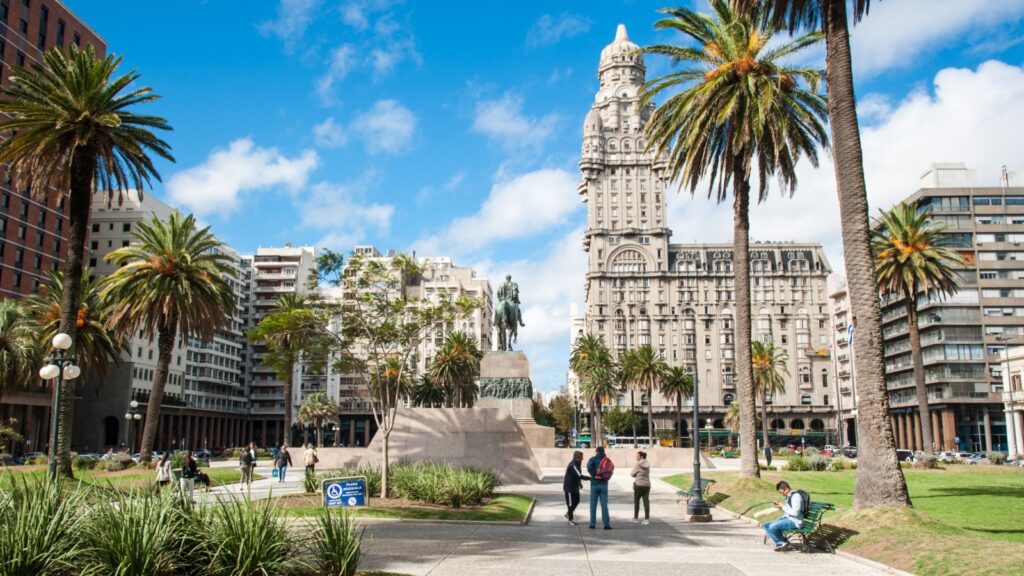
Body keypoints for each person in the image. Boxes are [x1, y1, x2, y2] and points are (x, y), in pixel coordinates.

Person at [764, 481, 809, 551]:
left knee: (772, 526)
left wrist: (782, 507)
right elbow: (789, 510)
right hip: (788, 519)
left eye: (781, 492)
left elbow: (795, 513)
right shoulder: (789, 496)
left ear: (785, 489)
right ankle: (782, 542)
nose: (781, 494)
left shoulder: (796, 496)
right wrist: (780, 506)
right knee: (766, 525)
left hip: (795, 521)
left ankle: (780, 543)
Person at [586, 446, 614, 530]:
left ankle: (592, 523)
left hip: (594, 484)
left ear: (596, 451)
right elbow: (610, 470)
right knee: (604, 505)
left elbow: (589, 467)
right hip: (604, 484)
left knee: (593, 505)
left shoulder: (592, 459)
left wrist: (594, 475)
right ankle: (606, 524)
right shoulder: (607, 460)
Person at [562, 450, 590, 526]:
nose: (582, 459)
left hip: (575, 487)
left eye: (582, 458)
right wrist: (590, 478)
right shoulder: (573, 465)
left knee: (577, 501)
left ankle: (568, 513)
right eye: (581, 458)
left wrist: (579, 483)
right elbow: (579, 475)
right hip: (569, 488)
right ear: (576, 457)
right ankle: (570, 519)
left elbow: (577, 476)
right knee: (570, 504)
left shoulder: (577, 464)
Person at [631, 451, 651, 524]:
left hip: (639, 485)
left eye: (637, 456)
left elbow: (632, 474)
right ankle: (647, 519)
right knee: (646, 502)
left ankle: (636, 518)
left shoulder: (638, 464)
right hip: (647, 485)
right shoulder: (647, 463)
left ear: (641, 457)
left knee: (637, 502)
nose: (636, 458)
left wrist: (637, 474)